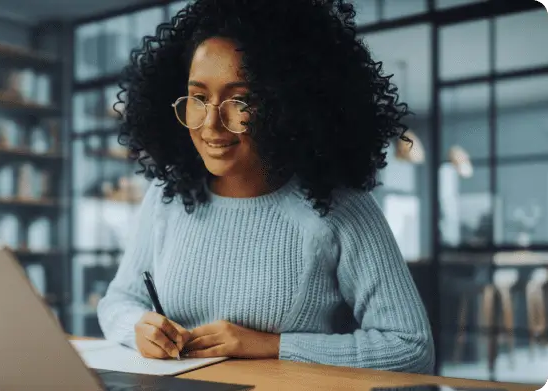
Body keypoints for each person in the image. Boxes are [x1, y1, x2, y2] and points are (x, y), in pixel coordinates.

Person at [96, 0, 435, 375]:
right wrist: (139, 328)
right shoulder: (167, 197)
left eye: (240, 100)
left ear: (289, 104)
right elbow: (119, 301)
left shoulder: (339, 208)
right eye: (199, 97)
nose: (211, 125)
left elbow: (411, 346)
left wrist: (272, 346)